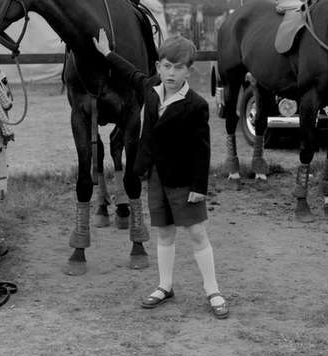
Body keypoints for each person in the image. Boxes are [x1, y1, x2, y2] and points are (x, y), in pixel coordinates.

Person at [91, 28, 229, 319]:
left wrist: (199, 186)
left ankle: (213, 289)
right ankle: (165, 285)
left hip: (184, 181)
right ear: (158, 67)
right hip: (156, 177)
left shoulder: (197, 106)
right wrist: (106, 53)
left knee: (197, 234)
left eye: (179, 68)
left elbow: (202, 150)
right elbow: (130, 73)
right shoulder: (151, 88)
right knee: (164, 235)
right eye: (166, 66)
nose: (171, 73)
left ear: (189, 71)